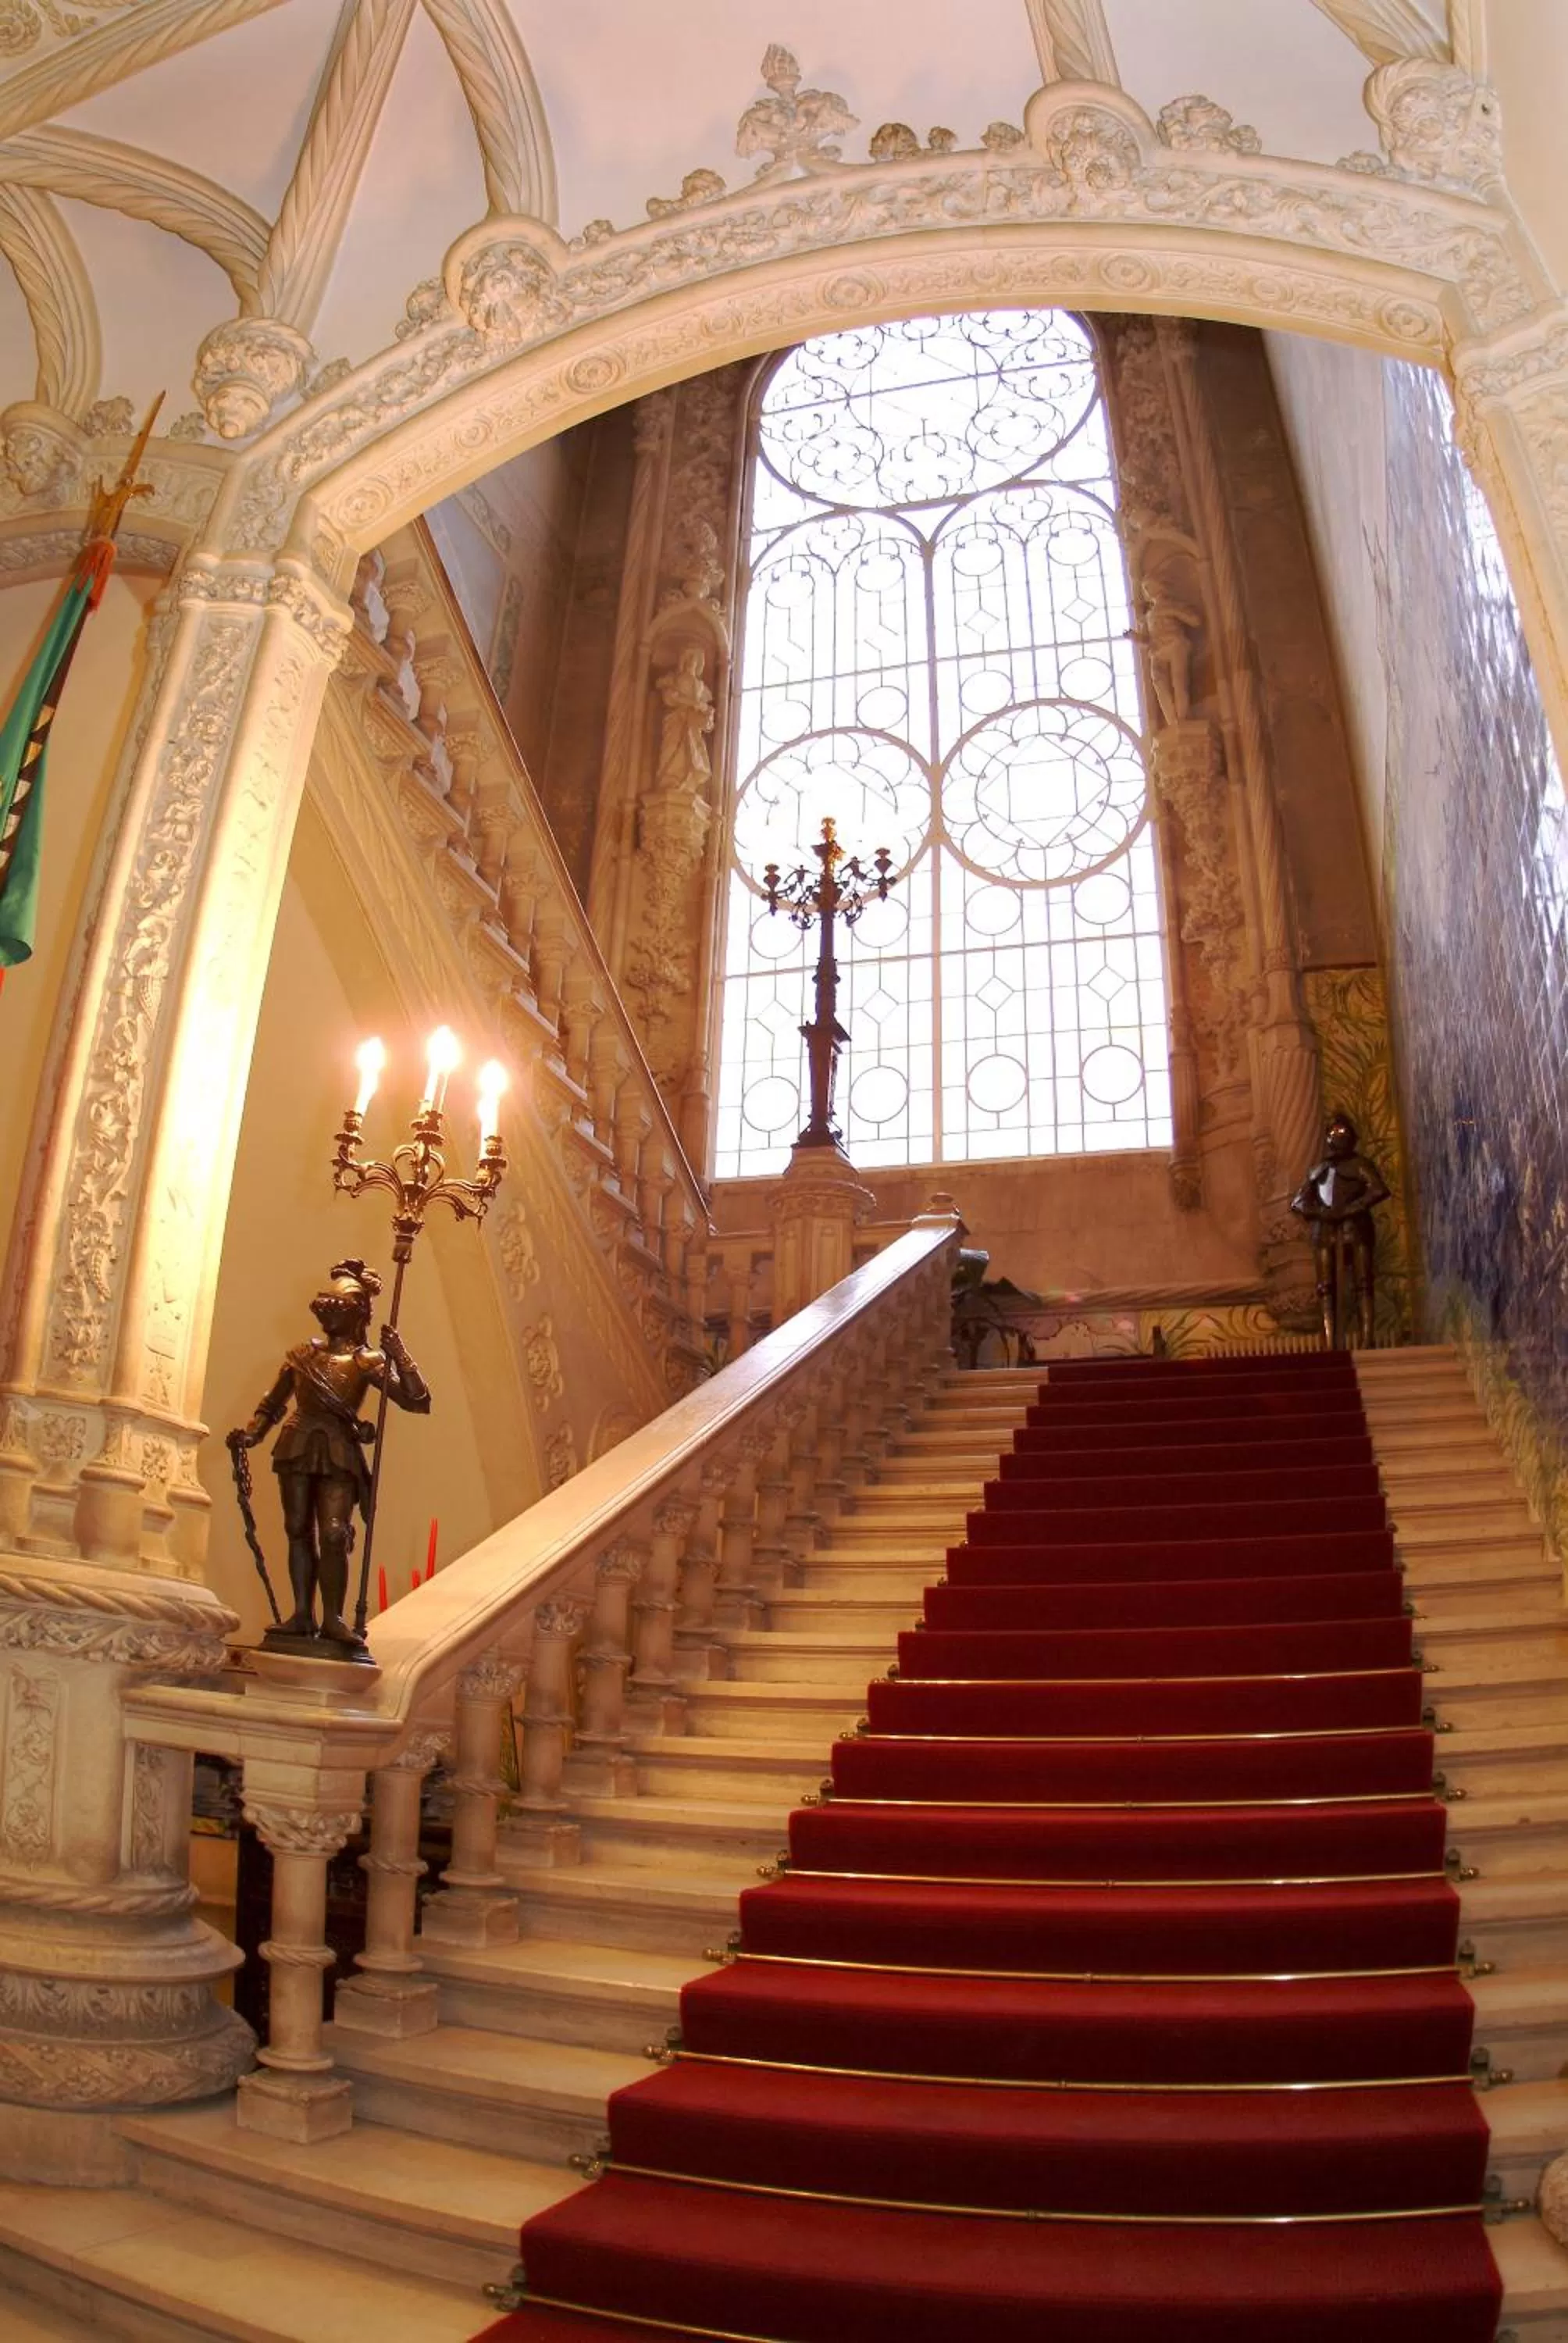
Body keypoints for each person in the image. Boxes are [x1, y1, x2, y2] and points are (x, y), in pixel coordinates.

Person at [232, 1258, 430, 1649]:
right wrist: (252, 1435)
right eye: (326, 1309)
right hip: (298, 1441)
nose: (328, 1317)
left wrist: (400, 1353)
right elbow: (273, 1404)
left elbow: (417, 1400)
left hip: (339, 1447)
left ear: (356, 1314)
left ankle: (334, 1619)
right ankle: (302, 1615)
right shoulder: (302, 1356)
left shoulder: (367, 1360)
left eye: (337, 1310)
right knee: (296, 1529)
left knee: (335, 1533)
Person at [1290, 1114, 1389, 1349]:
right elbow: (1299, 1202)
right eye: (1334, 1133)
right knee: (1325, 1287)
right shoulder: (1319, 1169)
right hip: (1324, 1230)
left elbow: (1377, 1189)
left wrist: (1351, 1209)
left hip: (1354, 1227)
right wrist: (1320, 1213)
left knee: (1363, 1282)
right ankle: (1330, 1343)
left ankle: (1367, 1339)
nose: (1338, 1138)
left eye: (1342, 1133)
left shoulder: (1360, 1164)